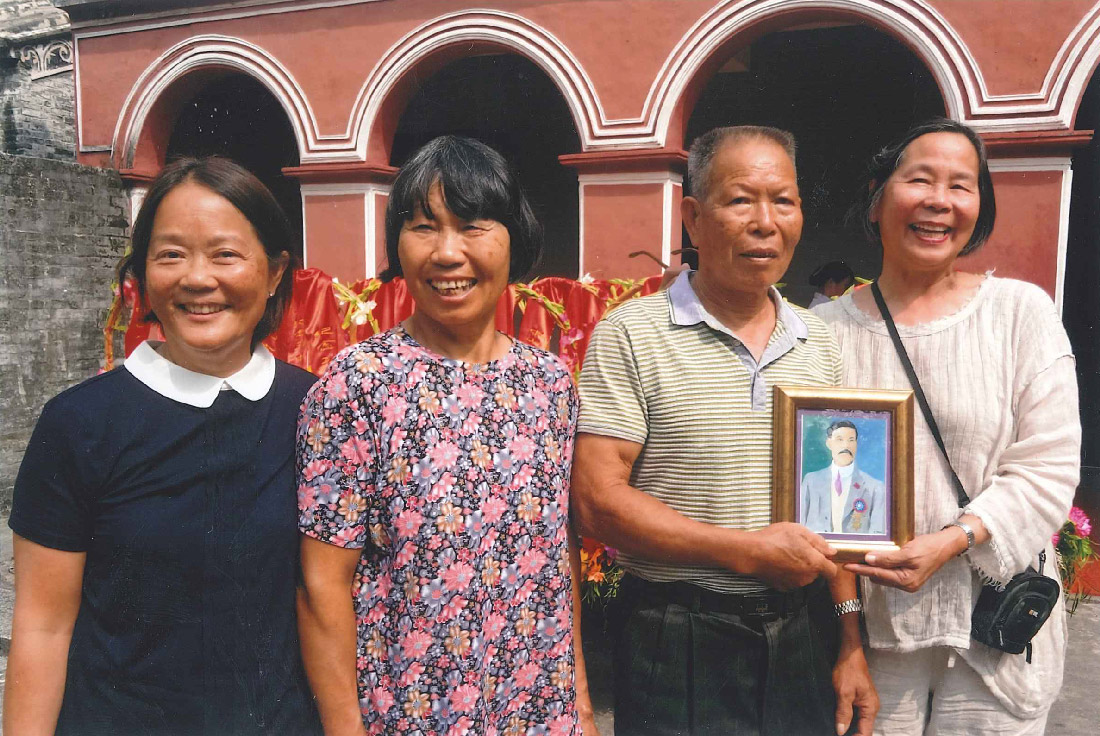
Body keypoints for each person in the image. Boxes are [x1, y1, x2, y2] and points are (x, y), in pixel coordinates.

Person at [572, 125, 878, 736]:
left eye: (783, 201)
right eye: (740, 200)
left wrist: (849, 641)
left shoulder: (819, 343)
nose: (765, 222)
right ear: (693, 217)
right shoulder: (633, 334)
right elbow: (597, 502)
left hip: (802, 634)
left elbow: (835, 511)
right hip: (676, 637)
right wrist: (746, 551)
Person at [4, 157, 321, 734]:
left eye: (225, 254)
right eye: (171, 254)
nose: (197, 279)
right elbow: (42, 627)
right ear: (143, 274)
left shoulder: (316, 411)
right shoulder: (80, 424)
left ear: (276, 273)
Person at [295, 135, 598, 736]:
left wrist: (582, 705)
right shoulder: (358, 384)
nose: (447, 253)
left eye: (472, 226)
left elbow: (555, 560)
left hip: (537, 711)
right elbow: (322, 583)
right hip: (411, 714)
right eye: (423, 227)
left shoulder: (549, 384)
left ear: (515, 237)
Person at [814, 118, 1079, 734]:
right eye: (920, 180)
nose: (939, 200)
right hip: (876, 643)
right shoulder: (824, 332)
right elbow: (821, 499)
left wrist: (955, 538)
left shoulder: (1020, 314)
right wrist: (847, 637)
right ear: (877, 197)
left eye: (961, 185)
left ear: (979, 207)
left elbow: (1050, 464)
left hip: (993, 633)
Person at [801, 420, 887, 535]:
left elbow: (878, 535)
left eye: (851, 440)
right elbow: (799, 528)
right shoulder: (811, 481)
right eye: (839, 439)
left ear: (856, 444)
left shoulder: (875, 488)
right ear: (829, 443)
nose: (846, 446)